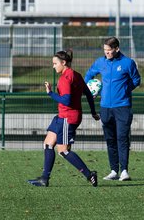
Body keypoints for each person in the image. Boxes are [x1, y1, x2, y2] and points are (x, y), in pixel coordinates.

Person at [27, 49, 100, 187]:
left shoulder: (65, 78)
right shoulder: (77, 75)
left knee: (63, 151)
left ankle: (89, 174)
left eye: (55, 63)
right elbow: (89, 95)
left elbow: (66, 100)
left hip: (68, 118)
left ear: (63, 62)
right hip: (62, 116)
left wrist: (50, 93)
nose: (53, 66)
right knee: (48, 144)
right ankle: (44, 178)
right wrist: (93, 112)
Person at [84, 37, 141, 181]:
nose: (107, 53)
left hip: (123, 107)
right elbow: (89, 75)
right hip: (105, 108)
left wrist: (125, 90)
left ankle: (124, 171)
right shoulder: (100, 62)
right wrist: (91, 90)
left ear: (117, 49)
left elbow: (136, 80)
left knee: (122, 138)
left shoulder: (128, 63)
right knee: (110, 139)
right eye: (105, 50)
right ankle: (114, 170)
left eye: (109, 50)